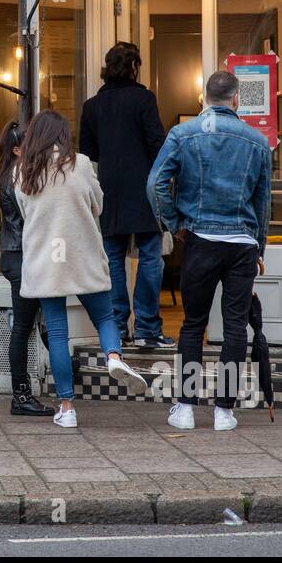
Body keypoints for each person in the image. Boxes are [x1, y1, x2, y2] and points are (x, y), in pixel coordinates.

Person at [148, 70, 271, 433]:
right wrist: (259, 245)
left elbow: (156, 184)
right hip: (242, 244)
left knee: (192, 325)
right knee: (235, 326)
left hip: (199, 239)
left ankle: (185, 407)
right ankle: (224, 411)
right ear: (236, 100)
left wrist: (174, 224)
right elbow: (263, 202)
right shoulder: (257, 140)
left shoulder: (182, 135)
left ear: (204, 99)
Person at [15, 110, 147, 429]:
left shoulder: (23, 170)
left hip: (47, 258)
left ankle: (66, 407)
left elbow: (24, 212)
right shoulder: (82, 163)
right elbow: (97, 204)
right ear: (63, 135)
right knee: (104, 316)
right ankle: (113, 357)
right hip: (81, 252)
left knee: (58, 332)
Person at [79, 42, 172, 348]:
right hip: (143, 189)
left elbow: (88, 151)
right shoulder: (144, 99)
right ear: (134, 67)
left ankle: (118, 325)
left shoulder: (92, 106)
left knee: (113, 258)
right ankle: (147, 327)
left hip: (109, 189)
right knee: (149, 257)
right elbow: (157, 143)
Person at [0, 120, 53, 417]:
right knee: (22, 328)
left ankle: (58, 365)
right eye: (29, 143)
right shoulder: (17, 178)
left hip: (15, 255)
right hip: (21, 257)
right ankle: (20, 395)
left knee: (29, 324)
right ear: (17, 150)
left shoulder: (10, 173)